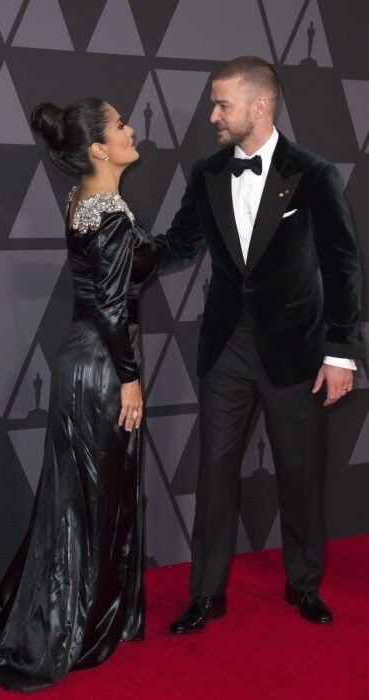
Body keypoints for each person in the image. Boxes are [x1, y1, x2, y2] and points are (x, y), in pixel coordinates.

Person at [0, 98, 157, 691]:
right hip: (101, 367)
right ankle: (76, 623)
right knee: (94, 497)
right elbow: (115, 310)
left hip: (79, 360)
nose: (130, 129)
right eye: (120, 125)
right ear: (98, 148)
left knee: (81, 499)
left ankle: (86, 613)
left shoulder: (86, 202)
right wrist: (131, 377)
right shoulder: (109, 214)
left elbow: (118, 278)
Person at [154, 56, 363, 634]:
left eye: (223, 104)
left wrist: (341, 351)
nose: (213, 114)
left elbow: (343, 267)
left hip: (296, 349)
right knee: (215, 470)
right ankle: (205, 595)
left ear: (260, 105)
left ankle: (303, 585)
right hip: (227, 349)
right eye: (213, 104)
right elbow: (178, 244)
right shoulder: (207, 172)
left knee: (300, 473)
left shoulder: (313, 173)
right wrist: (123, 255)